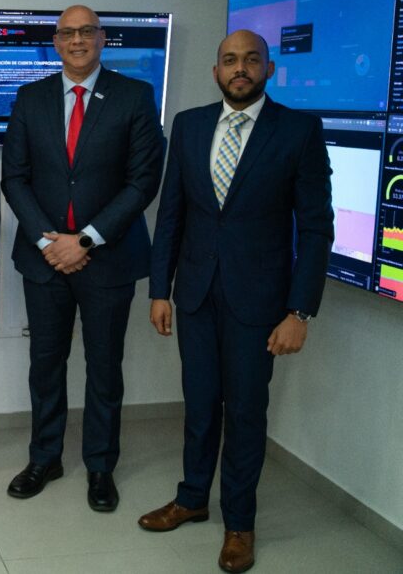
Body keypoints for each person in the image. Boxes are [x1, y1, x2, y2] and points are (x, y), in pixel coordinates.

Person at [139, 30, 333, 573]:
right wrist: (160, 291)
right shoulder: (190, 125)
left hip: (261, 304)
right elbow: (172, 215)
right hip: (196, 295)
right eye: (230, 60)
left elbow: (316, 228)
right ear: (216, 70)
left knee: (245, 413)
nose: (240, 68)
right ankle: (192, 497)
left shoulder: (298, 131)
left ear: (269, 69)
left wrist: (300, 312)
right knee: (199, 406)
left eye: (251, 60)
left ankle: (240, 524)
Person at [0, 5, 164, 511]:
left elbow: (143, 182)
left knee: (104, 367)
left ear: (102, 38)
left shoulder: (135, 96)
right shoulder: (30, 98)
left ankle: (100, 466)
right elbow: (15, 178)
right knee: (45, 364)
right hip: (44, 260)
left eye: (86, 32)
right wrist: (50, 242)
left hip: (108, 261)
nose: (77, 41)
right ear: (55, 41)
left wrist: (86, 239)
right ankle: (45, 457)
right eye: (68, 33)